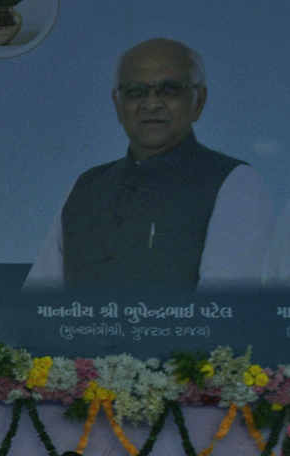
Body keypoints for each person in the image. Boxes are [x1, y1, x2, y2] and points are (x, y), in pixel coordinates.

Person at [25, 38, 271, 291]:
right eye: (135, 91)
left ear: (198, 102)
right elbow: (39, 303)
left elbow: (222, 312)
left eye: (170, 89)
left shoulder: (234, 183)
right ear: (118, 105)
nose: (152, 103)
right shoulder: (86, 186)